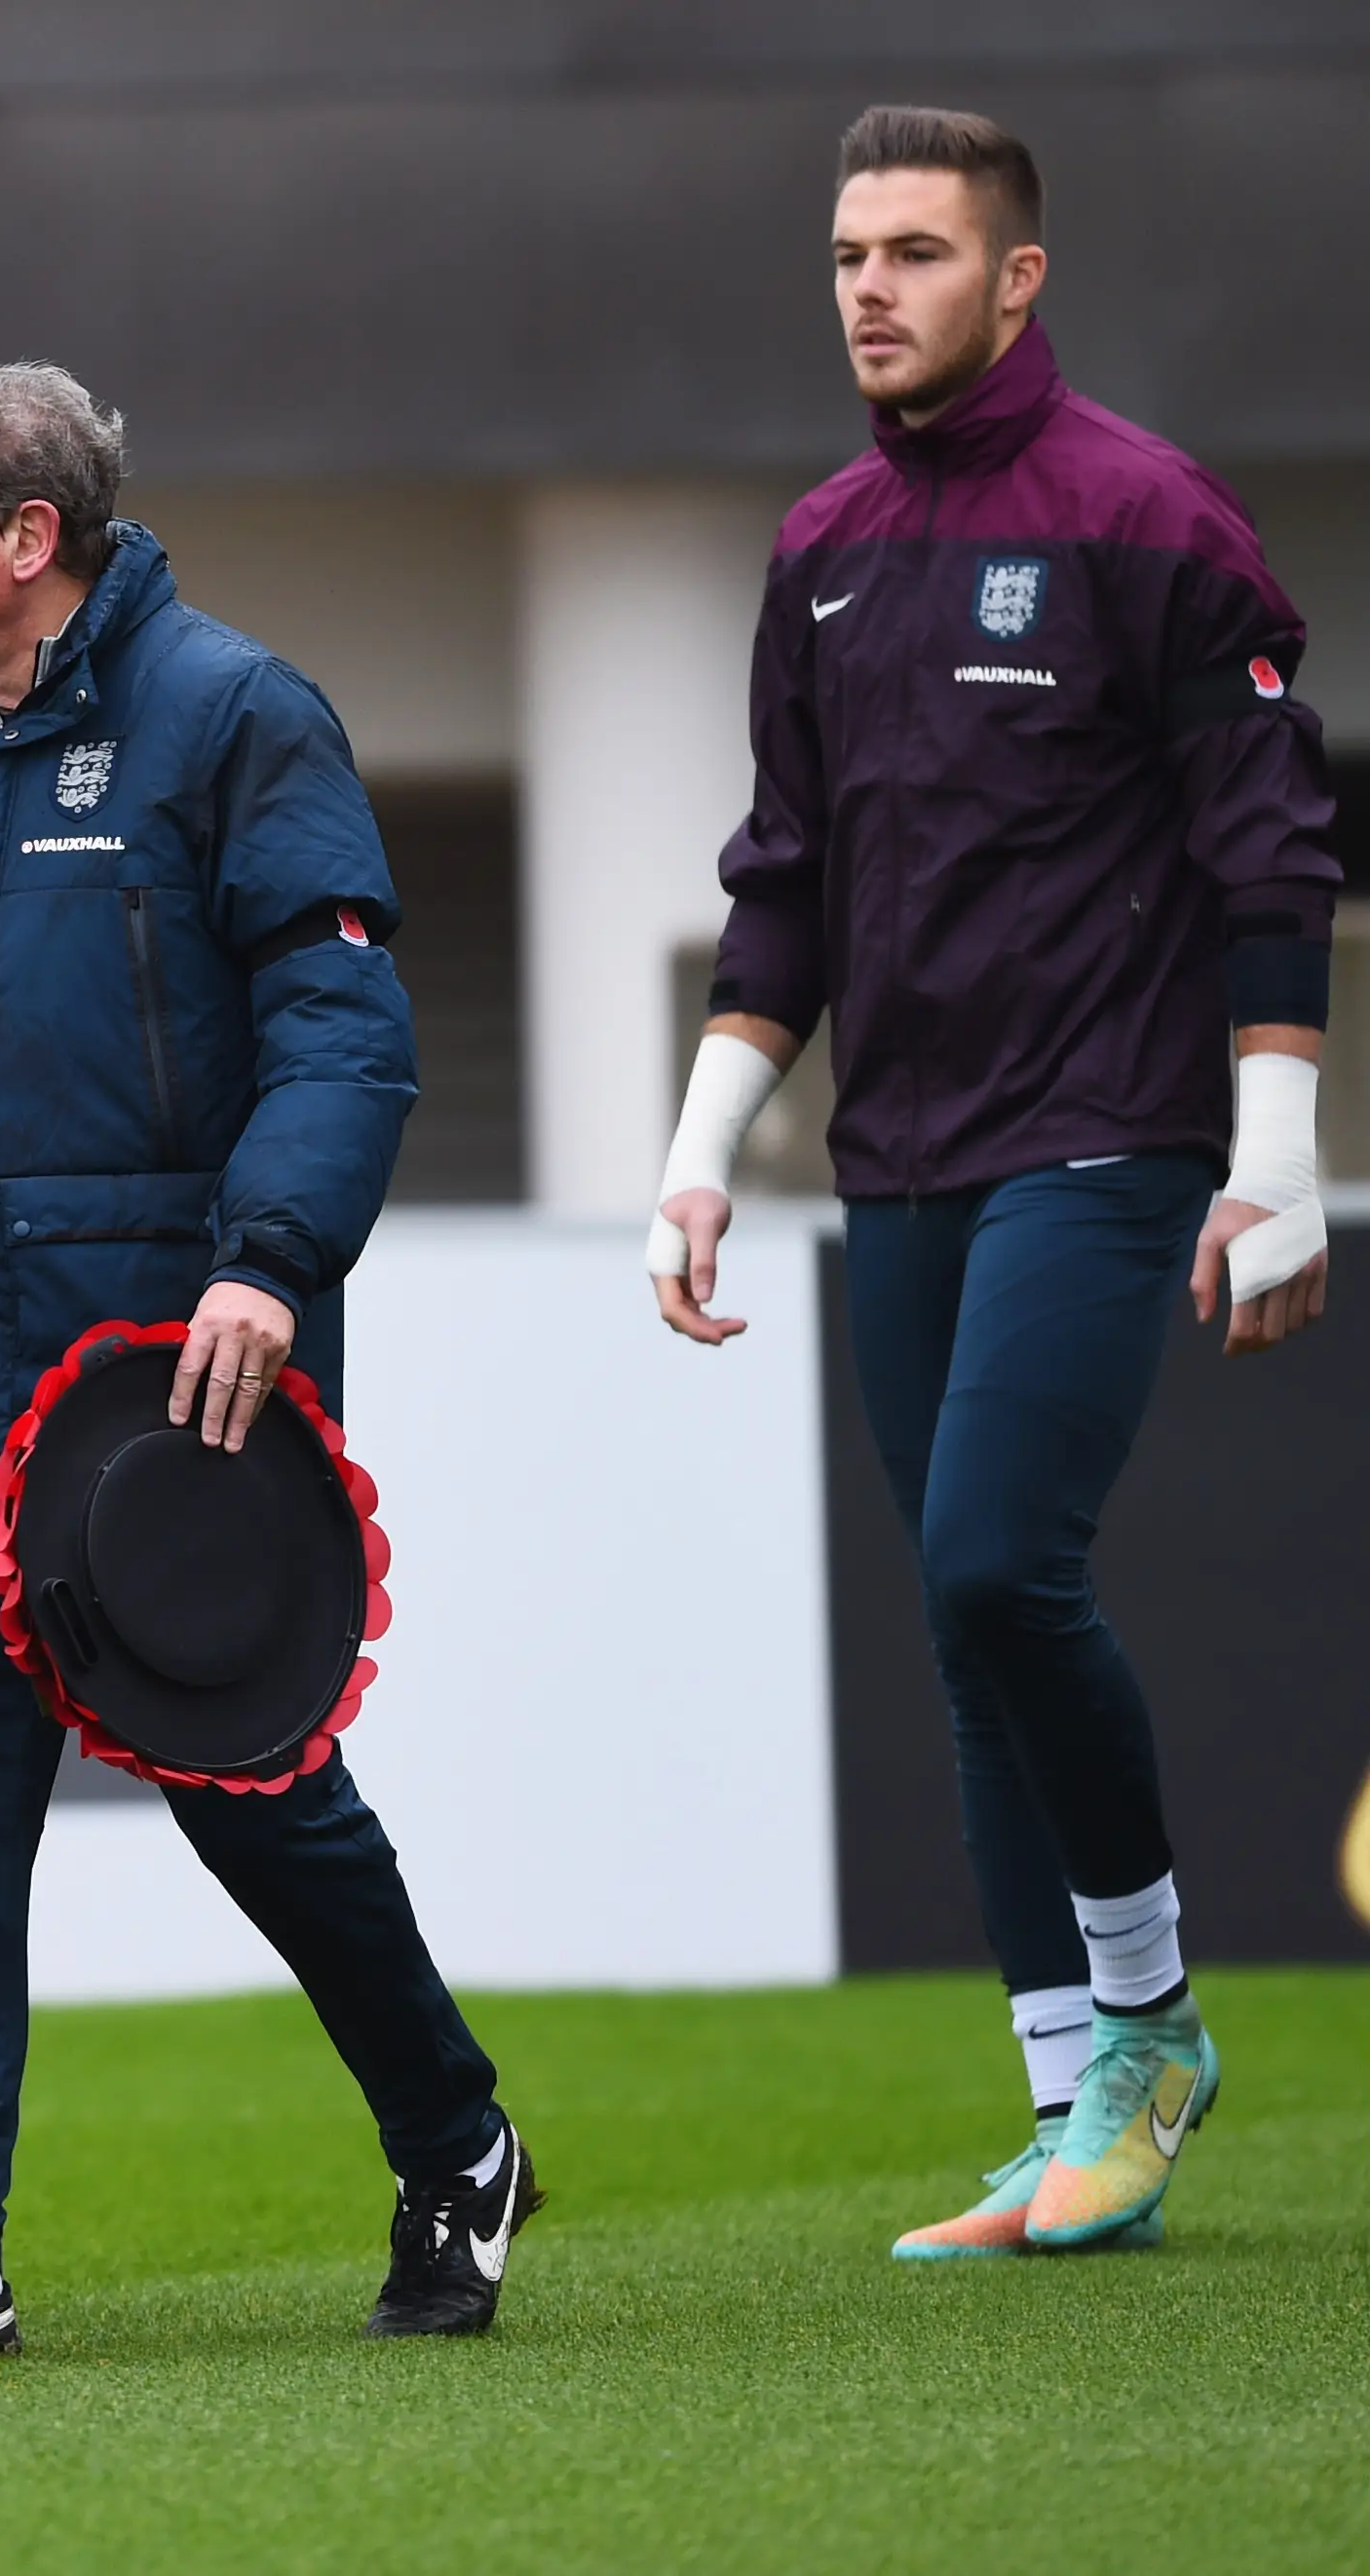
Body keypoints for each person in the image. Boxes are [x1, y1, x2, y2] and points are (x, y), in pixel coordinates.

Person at [650, 106, 1340, 2258]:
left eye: (920, 252)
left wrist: (1283, 1152)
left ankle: (1148, 2029)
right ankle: (1067, 2119)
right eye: (851, 251)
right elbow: (788, 893)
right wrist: (696, 1156)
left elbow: (1271, 858)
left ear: (1017, 280)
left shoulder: (1154, 516)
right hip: (903, 1155)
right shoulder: (823, 543)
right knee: (967, 1641)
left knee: (988, 1569)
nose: (872, 286)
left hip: (1109, 1134)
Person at [0, 362, 534, 2367]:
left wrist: (272, 1262)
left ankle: (457, 2134)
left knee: (262, 1808)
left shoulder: (233, 712)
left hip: (161, 1403)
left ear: (26, 538)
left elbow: (343, 1024)